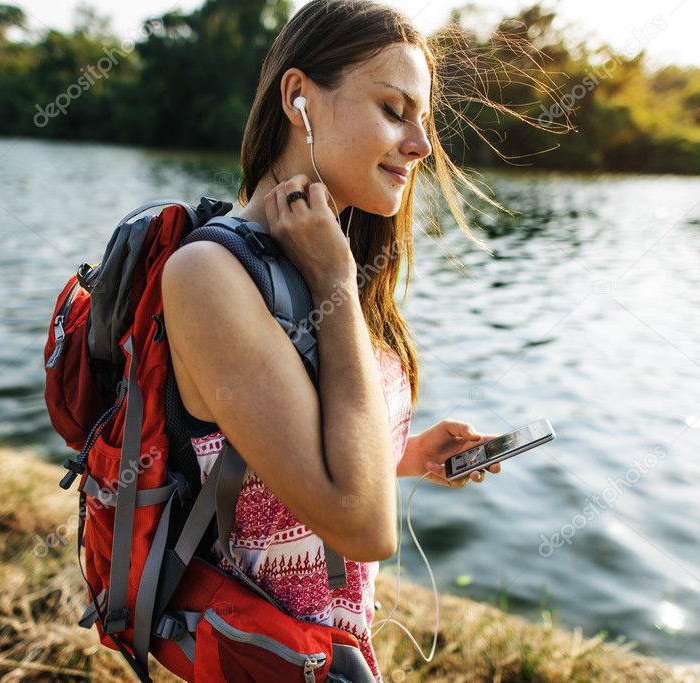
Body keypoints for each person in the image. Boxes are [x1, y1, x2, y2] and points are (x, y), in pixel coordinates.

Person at [160, 1, 505, 679]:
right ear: (298, 97)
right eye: (392, 109)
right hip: (268, 656)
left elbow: (280, 461)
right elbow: (362, 525)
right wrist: (337, 282)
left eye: (423, 120)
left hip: (331, 655)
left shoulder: (326, 256)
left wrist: (404, 456)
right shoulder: (210, 275)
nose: (420, 144)